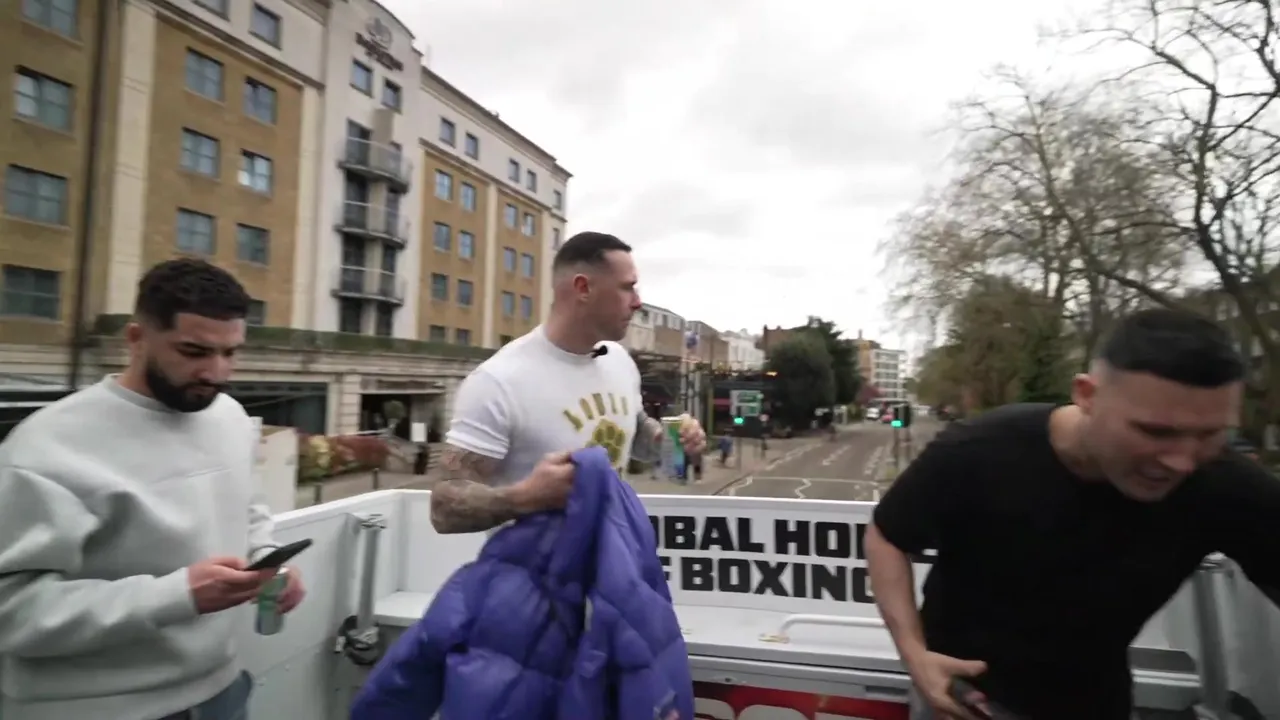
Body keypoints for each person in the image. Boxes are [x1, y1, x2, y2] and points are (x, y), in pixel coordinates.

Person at [865, 308, 1280, 720]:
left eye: (1211, 434)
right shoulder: (978, 452)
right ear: (1086, 395)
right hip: (964, 703)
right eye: (1155, 432)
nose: (1182, 462)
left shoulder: (1225, 485)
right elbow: (887, 536)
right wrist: (914, 654)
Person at [0, 258, 305, 720]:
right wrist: (177, 595)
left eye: (230, 352)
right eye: (194, 351)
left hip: (223, 691)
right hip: (95, 709)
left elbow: (247, 510)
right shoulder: (46, 447)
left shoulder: (228, 417)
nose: (217, 373)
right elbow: (11, 612)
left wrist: (268, 561)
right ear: (136, 338)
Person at [430, 231, 707, 534]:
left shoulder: (619, 360)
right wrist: (525, 497)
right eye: (627, 288)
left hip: (613, 556)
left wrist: (669, 440)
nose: (637, 303)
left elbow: (635, 428)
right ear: (583, 288)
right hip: (533, 564)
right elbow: (443, 509)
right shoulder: (498, 381)